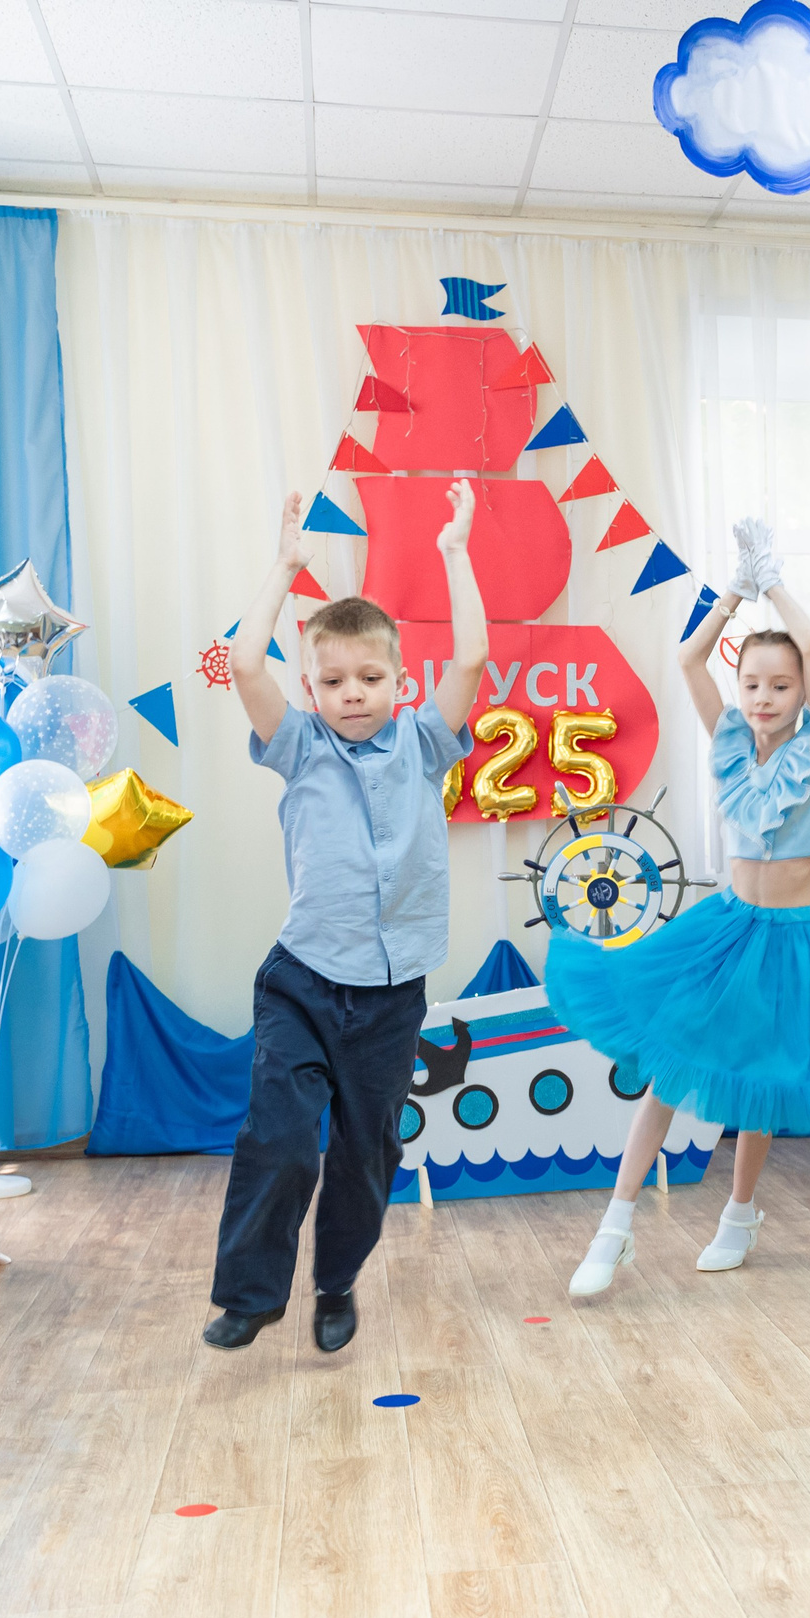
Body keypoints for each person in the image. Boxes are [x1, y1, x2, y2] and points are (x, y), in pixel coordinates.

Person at [550, 520, 810, 1295]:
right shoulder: (726, 741)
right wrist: (733, 592)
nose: (764, 698)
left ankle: (740, 1214)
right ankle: (615, 1225)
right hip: (723, 932)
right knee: (667, 1077)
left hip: (792, 942)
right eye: (752, 684)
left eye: (778, 687)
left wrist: (775, 582)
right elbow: (688, 656)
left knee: (760, 1086)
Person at [203, 480, 486, 1350]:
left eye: (370, 677)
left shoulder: (424, 744)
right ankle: (250, 1297)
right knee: (283, 1140)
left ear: (402, 683)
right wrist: (284, 569)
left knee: (367, 1155)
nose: (352, 692)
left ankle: (336, 1283)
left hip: (392, 992)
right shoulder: (297, 744)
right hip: (302, 980)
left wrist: (453, 553)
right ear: (312, 686)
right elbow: (247, 665)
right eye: (332, 680)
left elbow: (472, 659)